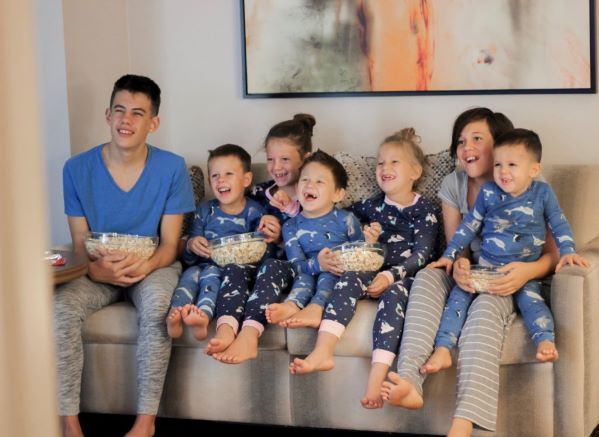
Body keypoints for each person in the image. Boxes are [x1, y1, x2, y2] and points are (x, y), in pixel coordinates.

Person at [380, 107, 560, 437]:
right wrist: (460, 265)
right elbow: (456, 247)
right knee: (428, 276)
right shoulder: (454, 183)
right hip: (474, 273)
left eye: (477, 138)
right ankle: (409, 381)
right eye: (461, 141)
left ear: (500, 144)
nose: (467, 148)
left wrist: (525, 273)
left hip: (511, 277)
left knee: (485, 308)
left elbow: (553, 254)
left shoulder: (530, 185)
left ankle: (463, 424)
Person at [55, 74, 196, 437]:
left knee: (158, 308)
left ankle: (144, 422)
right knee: (60, 309)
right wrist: (95, 269)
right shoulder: (76, 169)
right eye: (119, 110)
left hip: (152, 265)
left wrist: (144, 265)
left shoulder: (171, 168)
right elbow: (78, 240)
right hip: (96, 266)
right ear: (107, 115)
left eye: (137, 113)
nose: (126, 121)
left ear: (153, 123)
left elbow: (170, 244)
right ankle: (69, 422)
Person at [287, 128, 439, 412]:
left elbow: (423, 254)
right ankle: (323, 351)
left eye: (395, 162)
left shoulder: (425, 210)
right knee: (347, 279)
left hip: (402, 278)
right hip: (368, 270)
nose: (385, 168)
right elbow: (333, 218)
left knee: (394, 297)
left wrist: (389, 275)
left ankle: (377, 378)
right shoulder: (368, 207)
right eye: (380, 162)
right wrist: (366, 239)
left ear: (415, 171)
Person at [427, 128, 589, 368]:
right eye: (498, 164)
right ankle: (442, 348)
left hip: (523, 273)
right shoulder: (489, 192)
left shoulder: (542, 193)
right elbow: (469, 226)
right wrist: (449, 255)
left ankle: (545, 340)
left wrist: (568, 251)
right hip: (486, 270)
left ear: (534, 170)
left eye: (512, 165)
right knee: (457, 298)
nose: (503, 171)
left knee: (532, 302)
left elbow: (558, 222)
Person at [213, 150, 366, 363]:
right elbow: (296, 266)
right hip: (303, 270)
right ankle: (250, 332)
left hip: (335, 270)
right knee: (273, 264)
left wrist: (369, 241)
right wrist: (317, 263)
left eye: (319, 181)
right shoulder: (291, 225)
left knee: (328, 273)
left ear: (338, 194)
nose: (310, 185)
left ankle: (309, 306)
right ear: (297, 187)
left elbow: (360, 256)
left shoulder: (347, 220)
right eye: (305, 180)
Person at [202, 114, 313, 357]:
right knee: (234, 269)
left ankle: (249, 334)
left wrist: (282, 236)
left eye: (285, 159)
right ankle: (226, 329)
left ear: (305, 159)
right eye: (271, 159)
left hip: (292, 268)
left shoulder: (314, 194)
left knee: (272, 266)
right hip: (254, 265)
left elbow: (321, 236)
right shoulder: (260, 193)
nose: (276, 167)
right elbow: (237, 213)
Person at [166, 144, 278, 341]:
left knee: (211, 276)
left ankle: (203, 316)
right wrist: (192, 245)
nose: (221, 180)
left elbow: (264, 252)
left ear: (246, 179)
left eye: (228, 174)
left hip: (234, 273)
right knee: (190, 274)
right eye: (215, 175)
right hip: (204, 264)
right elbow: (189, 257)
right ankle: (176, 313)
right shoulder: (204, 210)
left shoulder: (256, 212)